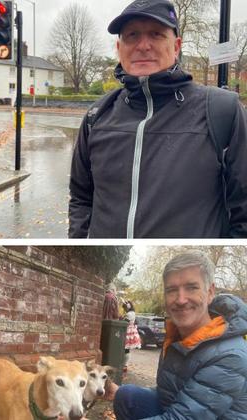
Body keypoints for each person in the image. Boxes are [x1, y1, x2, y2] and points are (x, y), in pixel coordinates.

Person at [68, 0, 247, 238]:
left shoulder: (222, 110)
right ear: (119, 48)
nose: (143, 45)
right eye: (132, 35)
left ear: (176, 46)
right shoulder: (96, 115)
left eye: (156, 34)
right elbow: (81, 198)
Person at [110, 251, 247, 419]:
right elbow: (172, 392)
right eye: (172, 290)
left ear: (210, 292)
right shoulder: (177, 335)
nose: (181, 299)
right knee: (126, 395)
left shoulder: (229, 356)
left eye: (191, 288)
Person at [122, 301, 141, 373]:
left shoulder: (129, 314)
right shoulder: (133, 313)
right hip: (131, 330)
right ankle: (125, 365)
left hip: (128, 331)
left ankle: (124, 365)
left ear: (127, 307)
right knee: (127, 349)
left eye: (124, 308)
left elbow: (125, 322)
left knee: (125, 349)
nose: (124, 309)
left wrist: (121, 318)